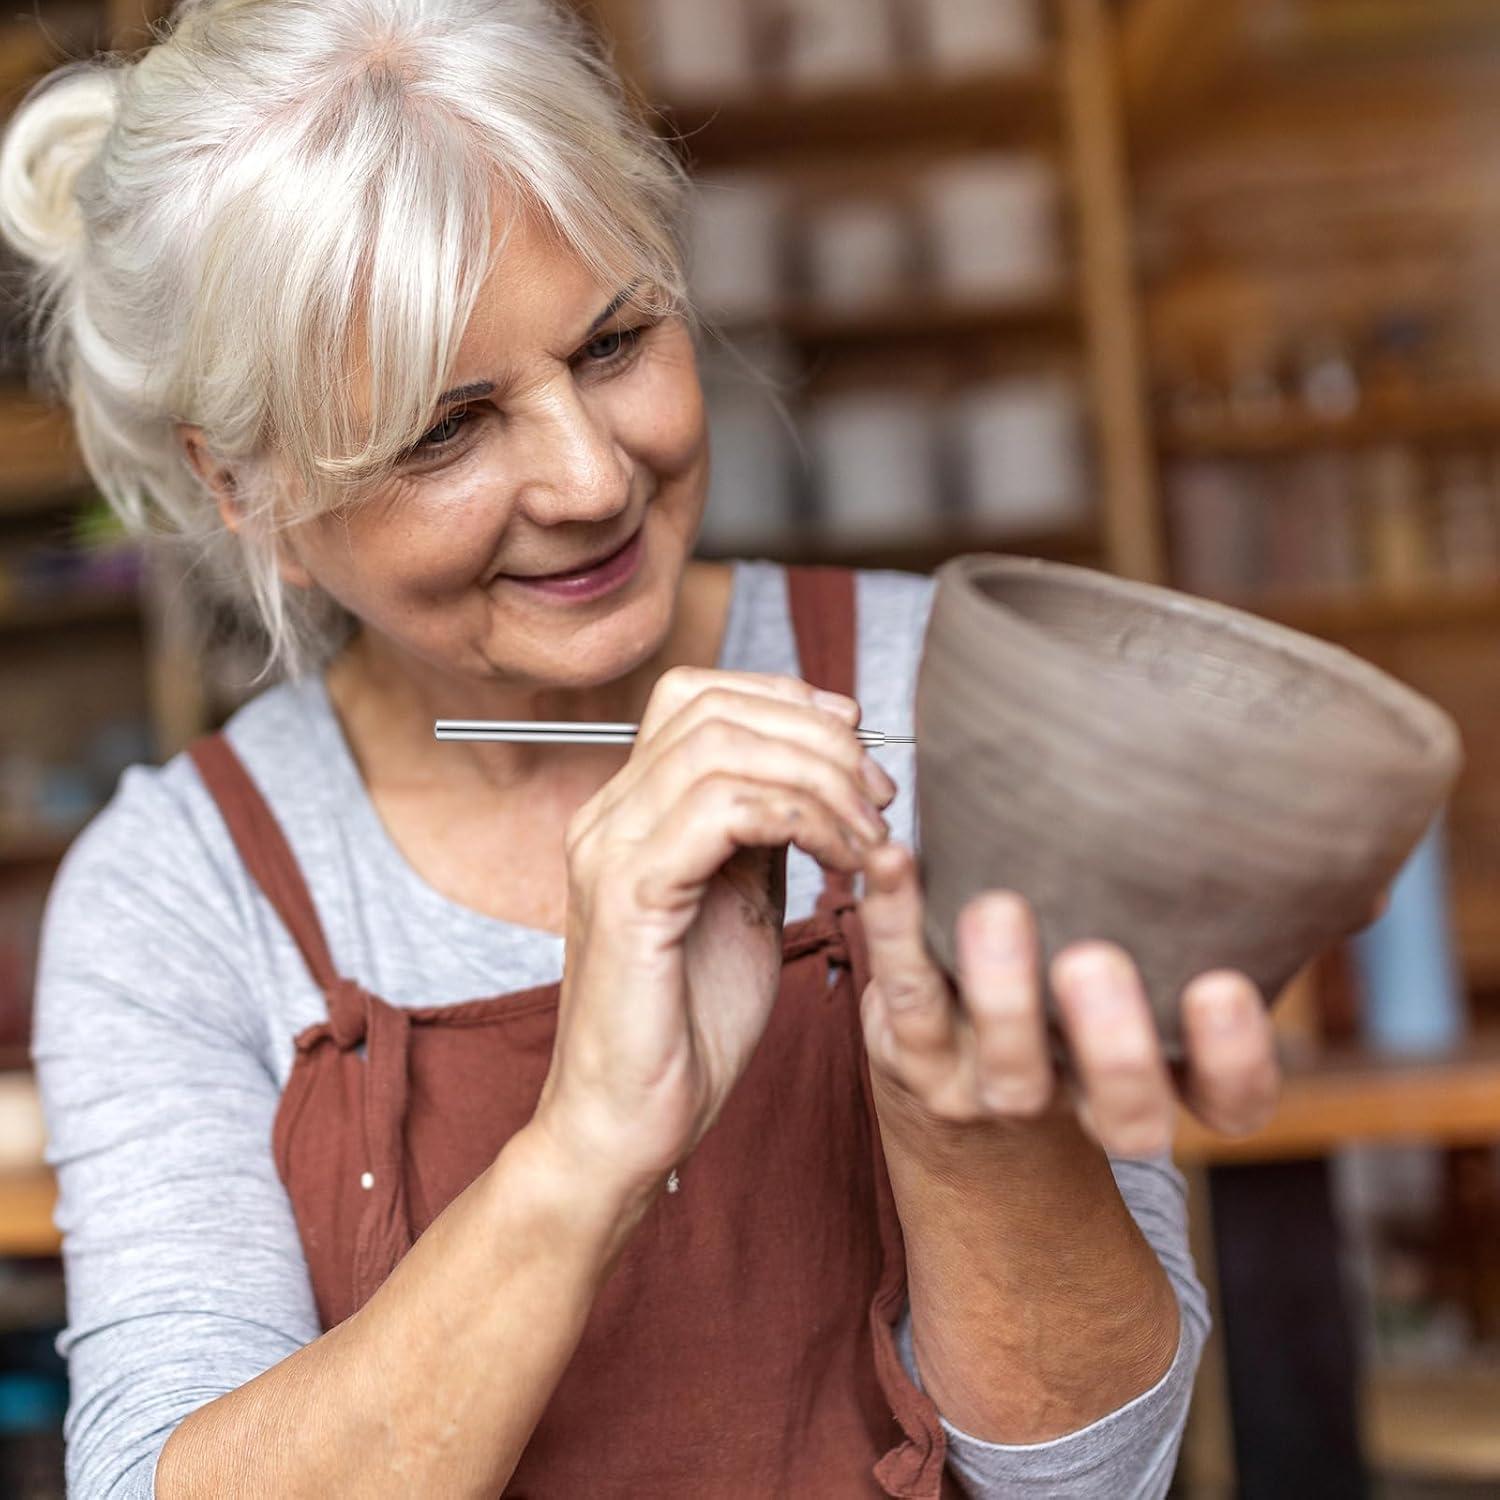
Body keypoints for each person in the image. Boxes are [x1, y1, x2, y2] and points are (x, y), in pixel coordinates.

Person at [1, 1, 1281, 1494]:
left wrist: (966, 1129)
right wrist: (589, 1144)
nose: (592, 476)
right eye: (442, 430)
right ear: (249, 489)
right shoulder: (178, 895)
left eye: (614, 342)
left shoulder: (952, 694)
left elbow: (1105, 1472)